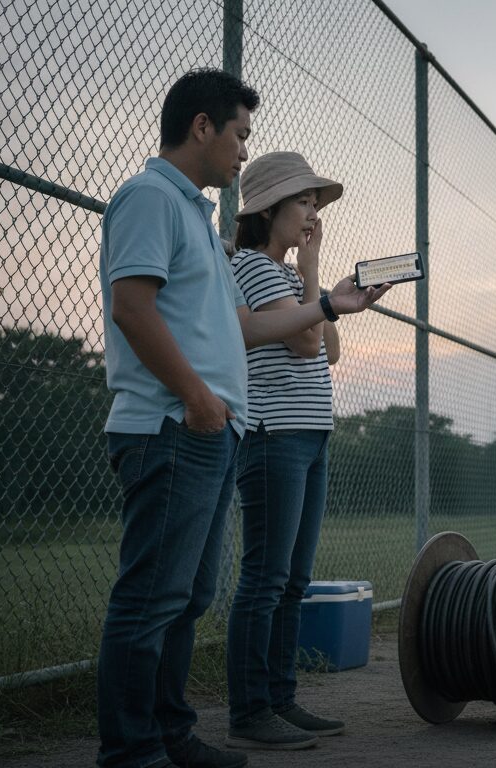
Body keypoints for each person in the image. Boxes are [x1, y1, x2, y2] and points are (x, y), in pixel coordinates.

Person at [96, 69, 388, 768]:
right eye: (240, 136)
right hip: (173, 424)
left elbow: (243, 331)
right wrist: (197, 398)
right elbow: (131, 308)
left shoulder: (193, 216)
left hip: (208, 429)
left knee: (188, 596)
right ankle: (132, 753)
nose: (243, 153)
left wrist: (327, 305)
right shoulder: (147, 199)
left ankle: (170, 736)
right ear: (203, 126)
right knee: (152, 598)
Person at [224, 152, 350, 750]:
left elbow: (330, 352)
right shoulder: (249, 265)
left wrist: (313, 270)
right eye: (302, 201)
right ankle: (250, 710)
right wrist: (315, 283)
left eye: (314, 203)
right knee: (266, 578)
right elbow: (306, 342)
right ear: (268, 209)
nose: (311, 212)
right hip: (274, 436)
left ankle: (280, 699)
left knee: (294, 578)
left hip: (309, 435)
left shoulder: (293, 277)